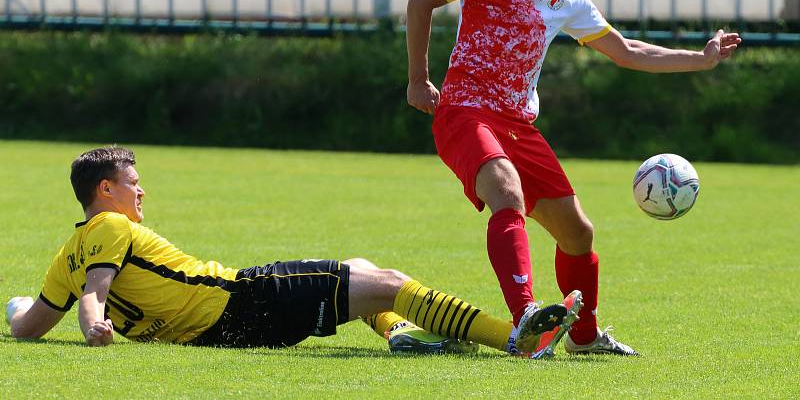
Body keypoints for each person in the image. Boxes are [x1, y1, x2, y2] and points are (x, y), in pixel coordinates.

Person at [406, 0, 740, 356]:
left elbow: (627, 51)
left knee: (579, 233)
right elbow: (421, 1)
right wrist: (418, 80)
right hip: (465, 112)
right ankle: (525, 315)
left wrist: (700, 61)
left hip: (519, 126)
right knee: (507, 191)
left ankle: (583, 339)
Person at [5, 146, 580, 359]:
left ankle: (398, 330)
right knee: (387, 278)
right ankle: (514, 338)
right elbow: (94, 297)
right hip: (240, 302)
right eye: (134, 183)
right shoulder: (108, 224)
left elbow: (31, 328)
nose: (141, 191)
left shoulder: (68, 250)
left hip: (224, 321)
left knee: (356, 267)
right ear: (105, 191)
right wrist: (93, 327)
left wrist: (15, 308)